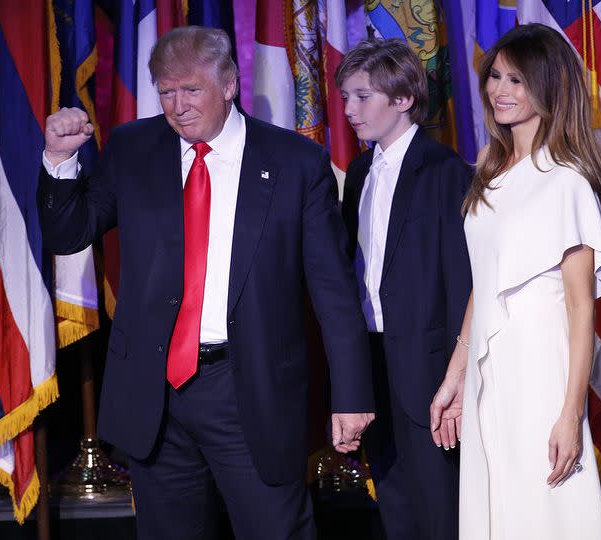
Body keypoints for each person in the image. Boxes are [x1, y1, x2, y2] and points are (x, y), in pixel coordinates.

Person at [37, 26, 375, 540]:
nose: (177, 105)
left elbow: (334, 291)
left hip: (250, 390)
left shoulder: (294, 163)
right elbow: (69, 233)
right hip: (155, 395)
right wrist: (60, 160)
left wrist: (351, 393)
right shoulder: (133, 147)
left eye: (191, 90)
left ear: (230, 85)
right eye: (166, 91)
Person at [429, 23, 601, 539]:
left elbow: (582, 309)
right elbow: (483, 286)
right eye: (496, 77)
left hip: (541, 372)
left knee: (544, 512)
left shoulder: (568, 180)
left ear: (548, 86)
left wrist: (571, 413)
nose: (499, 90)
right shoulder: (489, 168)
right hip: (492, 374)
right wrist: (456, 377)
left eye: (516, 80)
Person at [336, 38, 471, 539]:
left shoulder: (444, 171)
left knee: (440, 508)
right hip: (374, 361)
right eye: (345, 96)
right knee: (394, 503)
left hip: (431, 371)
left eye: (363, 96)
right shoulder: (360, 171)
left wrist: (456, 380)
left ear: (403, 99)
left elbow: (462, 282)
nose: (349, 110)